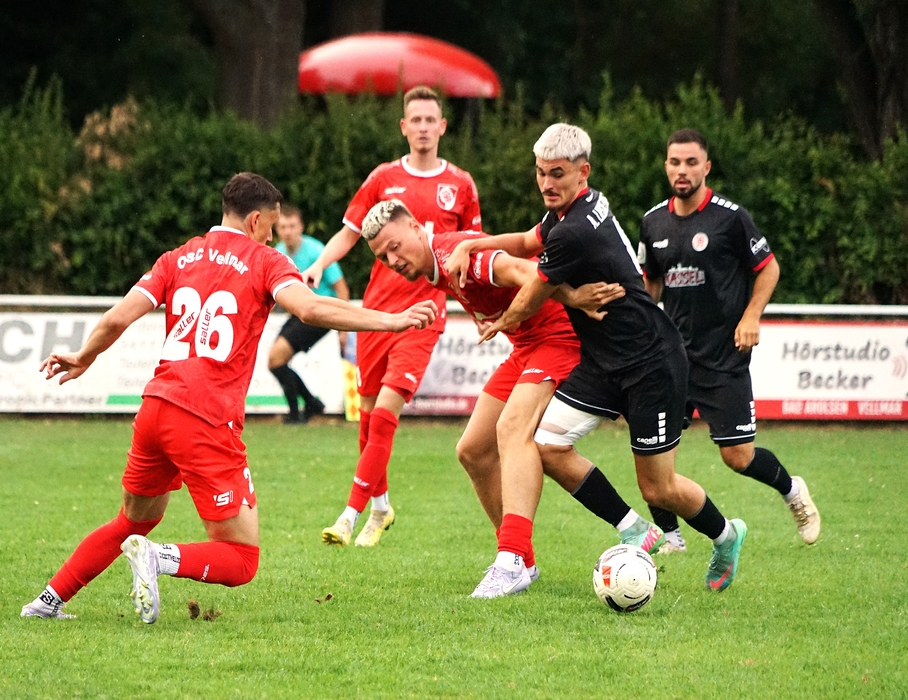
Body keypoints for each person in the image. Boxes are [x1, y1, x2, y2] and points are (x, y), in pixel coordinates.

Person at [20, 173, 437, 623]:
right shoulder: (265, 260)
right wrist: (391, 320)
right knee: (241, 558)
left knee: (131, 520)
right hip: (205, 418)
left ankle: (47, 601)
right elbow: (310, 308)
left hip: (156, 408)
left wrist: (84, 356)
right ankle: (157, 558)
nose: (272, 236)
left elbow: (117, 317)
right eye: (271, 226)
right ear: (256, 220)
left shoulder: (178, 257)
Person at [448, 124, 748, 593]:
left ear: (582, 172)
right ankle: (633, 528)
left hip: (651, 363)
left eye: (557, 174)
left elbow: (532, 294)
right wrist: (472, 243)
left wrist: (500, 321)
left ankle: (727, 536)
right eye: (541, 173)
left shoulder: (573, 230)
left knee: (659, 488)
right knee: (546, 444)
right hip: (603, 362)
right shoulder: (570, 210)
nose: (546, 183)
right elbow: (526, 241)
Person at [359, 199, 663, 597]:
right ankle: (533, 561)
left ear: (416, 228)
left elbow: (523, 270)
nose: (392, 260)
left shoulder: (451, 255)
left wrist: (573, 297)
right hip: (527, 346)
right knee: (472, 450)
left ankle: (510, 559)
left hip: (559, 336)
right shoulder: (439, 266)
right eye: (383, 257)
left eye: (395, 247)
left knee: (514, 428)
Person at [302, 86, 481, 548]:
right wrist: (320, 265)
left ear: (443, 126)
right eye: (414, 120)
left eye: (430, 119)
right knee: (367, 420)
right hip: (376, 315)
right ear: (403, 127)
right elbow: (349, 232)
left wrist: (480, 308)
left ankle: (349, 515)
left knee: (384, 415)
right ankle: (381, 507)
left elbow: (471, 251)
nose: (422, 127)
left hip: (423, 315)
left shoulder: (461, 184)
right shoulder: (383, 177)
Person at [637, 128, 820, 552]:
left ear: (706, 167)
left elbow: (768, 267)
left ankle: (793, 491)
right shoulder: (652, 221)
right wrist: (641, 330)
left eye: (691, 162)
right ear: (666, 166)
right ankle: (671, 538)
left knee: (737, 456)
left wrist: (751, 315)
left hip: (723, 355)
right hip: (672, 357)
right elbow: (651, 283)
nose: (682, 170)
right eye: (674, 162)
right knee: (652, 453)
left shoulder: (730, 218)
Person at [268, 204, 350, 423]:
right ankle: (311, 405)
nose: (287, 231)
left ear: (301, 227)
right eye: (283, 227)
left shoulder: (317, 251)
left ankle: (297, 413)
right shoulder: (278, 252)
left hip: (319, 313)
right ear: (276, 229)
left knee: (276, 359)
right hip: (299, 313)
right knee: (275, 361)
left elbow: (341, 289)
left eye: (292, 226)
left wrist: (343, 328)